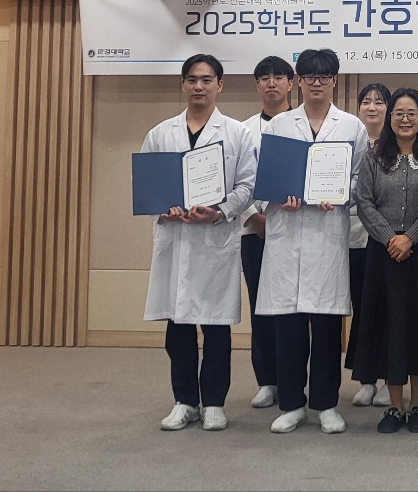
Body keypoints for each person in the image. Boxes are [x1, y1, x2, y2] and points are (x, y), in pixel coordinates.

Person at [141, 54, 257, 433]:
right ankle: (185, 401)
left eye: (207, 80)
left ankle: (215, 403)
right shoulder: (161, 133)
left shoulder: (237, 134)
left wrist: (220, 212)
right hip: (176, 238)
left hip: (214, 239)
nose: (198, 86)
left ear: (219, 85)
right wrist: (163, 206)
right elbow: (148, 184)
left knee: (216, 326)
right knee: (178, 327)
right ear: (183, 84)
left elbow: (247, 185)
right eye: (192, 80)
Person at [257, 48, 368, 434]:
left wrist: (338, 194)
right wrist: (278, 198)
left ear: (334, 80)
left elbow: (360, 181)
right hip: (287, 236)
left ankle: (325, 404)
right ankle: (291, 404)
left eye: (323, 77)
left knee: (326, 328)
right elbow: (263, 182)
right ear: (298, 82)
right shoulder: (278, 126)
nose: (316, 83)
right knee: (288, 327)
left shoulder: (351, 126)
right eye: (309, 77)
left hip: (327, 235)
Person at [351, 88, 418, 434]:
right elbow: (364, 201)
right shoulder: (373, 156)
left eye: (412, 113)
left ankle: (417, 404)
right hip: (383, 254)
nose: (405, 119)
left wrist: (410, 236)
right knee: (389, 326)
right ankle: (394, 406)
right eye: (398, 113)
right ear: (389, 118)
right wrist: (389, 237)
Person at [240, 55, 294, 410]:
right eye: (264, 78)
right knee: (260, 306)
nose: (271, 83)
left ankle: (293, 378)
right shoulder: (242, 131)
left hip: (294, 228)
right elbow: (232, 179)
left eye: (278, 77)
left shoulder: (303, 126)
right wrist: (253, 218)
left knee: (293, 310)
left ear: (291, 83)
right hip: (255, 231)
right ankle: (267, 380)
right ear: (257, 85)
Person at [349, 82, 392, 408]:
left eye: (379, 102)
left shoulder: (398, 142)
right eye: (366, 101)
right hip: (354, 236)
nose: (372, 107)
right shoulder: (350, 140)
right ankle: (366, 379)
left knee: (388, 308)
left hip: (388, 238)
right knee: (362, 308)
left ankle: (391, 378)